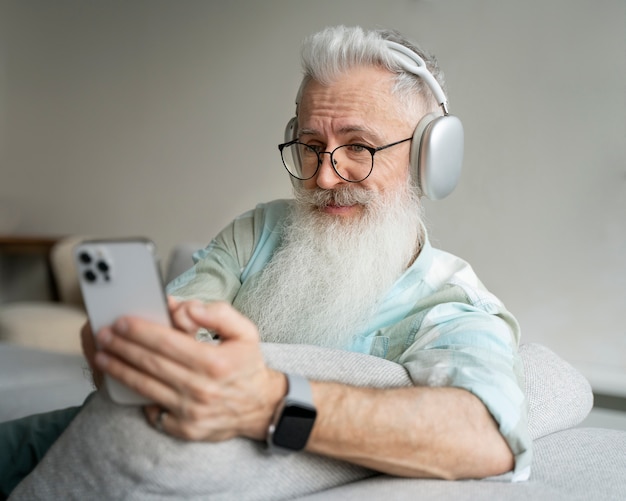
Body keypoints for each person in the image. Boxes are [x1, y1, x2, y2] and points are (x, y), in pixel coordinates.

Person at [0, 25, 531, 496]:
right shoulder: (260, 229)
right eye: (309, 145)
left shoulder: (452, 301)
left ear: (427, 159)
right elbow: (175, 320)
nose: (323, 177)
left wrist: (266, 400)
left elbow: (488, 436)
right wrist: (124, 349)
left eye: (359, 148)